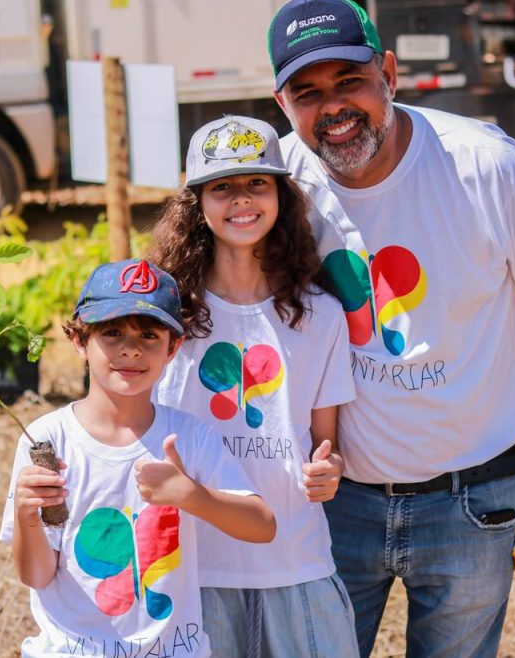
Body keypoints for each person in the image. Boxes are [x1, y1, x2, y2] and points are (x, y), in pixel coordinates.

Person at [267, 0, 515, 657]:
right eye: (306, 93)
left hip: (473, 500)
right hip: (334, 506)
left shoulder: (486, 169)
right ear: (281, 104)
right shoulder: (279, 185)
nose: (332, 108)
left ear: (388, 73)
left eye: (350, 81)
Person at [150, 115, 359, 657]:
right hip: (194, 567)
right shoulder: (168, 319)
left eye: (257, 183)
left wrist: (328, 472)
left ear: (281, 196)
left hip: (296, 561)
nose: (241, 200)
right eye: (222, 187)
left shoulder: (322, 317)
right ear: (197, 203)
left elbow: (323, 445)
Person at [0, 259, 276, 657]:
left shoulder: (190, 438)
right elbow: (37, 575)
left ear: (173, 348)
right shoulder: (48, 440)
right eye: (111, 333)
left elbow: (262, 526)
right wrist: (27, 516)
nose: (131, 348)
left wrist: (192, 496)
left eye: (148, 335)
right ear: (79, 340)